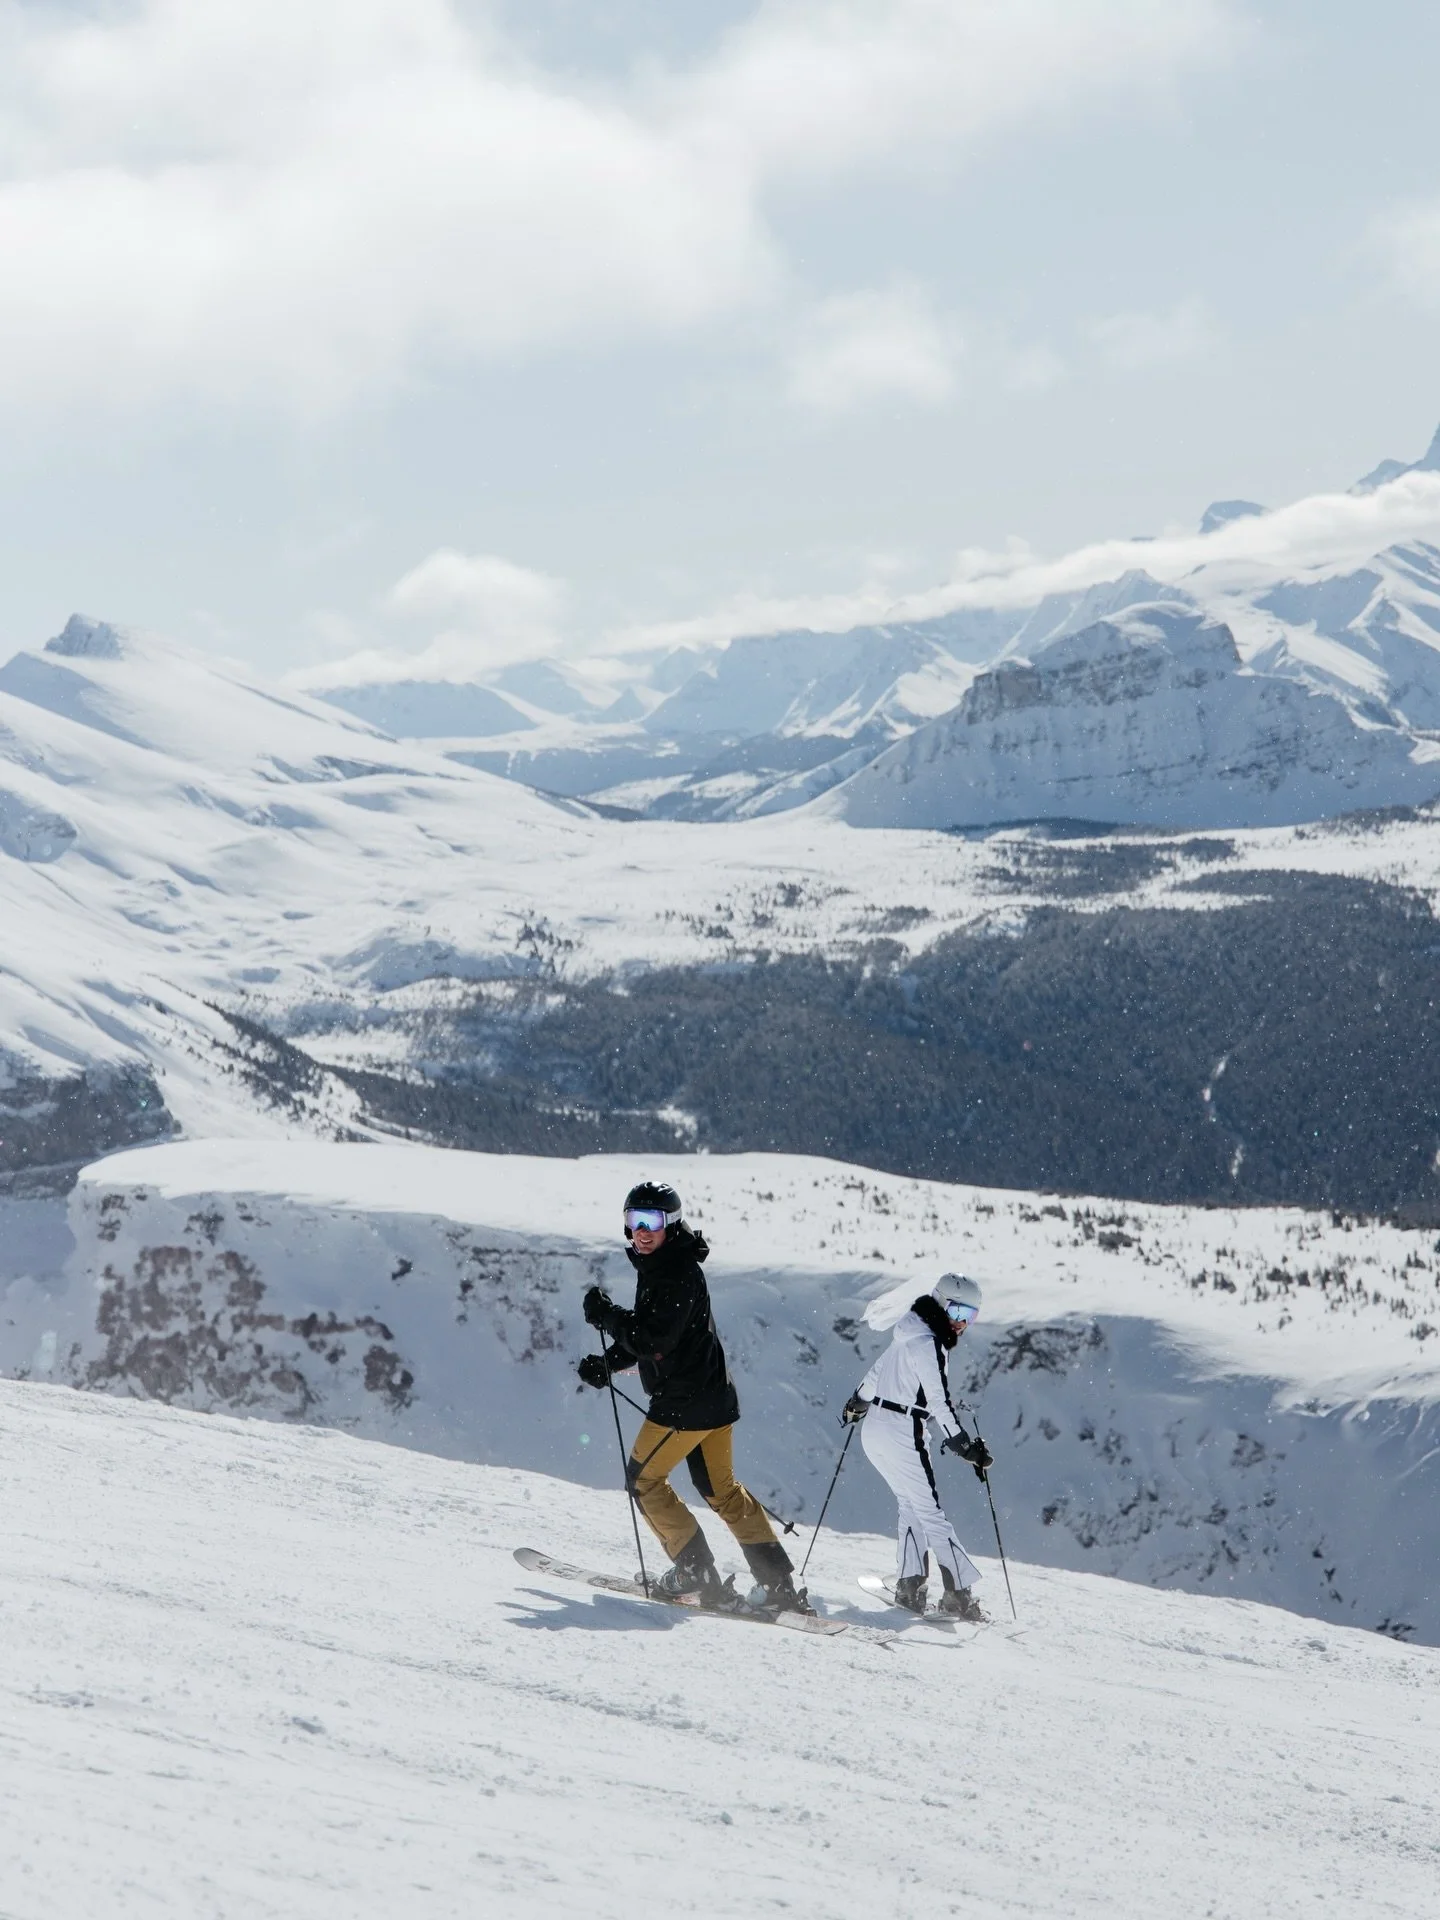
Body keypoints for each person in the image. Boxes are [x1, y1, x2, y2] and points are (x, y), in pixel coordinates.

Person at [575, 1179, 807, 1613]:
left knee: (642, 1480)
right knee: (722, 1491)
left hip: (684, 1405)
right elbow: (661, 1338)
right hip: (713, 1400)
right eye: (633, 1220)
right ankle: (778, 1584)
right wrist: (607, 1362)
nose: (641, 1230)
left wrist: (605, 1315)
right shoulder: (668, 1265)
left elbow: (654, 1338)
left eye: (652, 1220)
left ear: (672, 1223)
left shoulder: (675, 1273)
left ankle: (694, 1572)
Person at [843, 1273, 994, 1620]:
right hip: (902, 1430)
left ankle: (910, 1585)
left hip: (876, 1430)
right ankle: (959, 1595)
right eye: (957, 1312)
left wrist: (857, 1403)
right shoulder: (929, 1343)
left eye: (970, 1316)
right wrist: (965, 1446)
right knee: (931, 1513)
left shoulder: (906, 1334)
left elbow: (875, 1374)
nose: (961, 1323)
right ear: (941, 1303)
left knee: (910, 1504)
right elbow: (939, 1401)